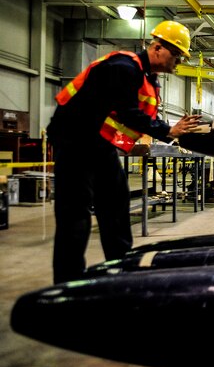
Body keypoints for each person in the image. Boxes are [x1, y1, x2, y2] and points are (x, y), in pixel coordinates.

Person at [46, 20, 201, 284]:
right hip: (74, 140)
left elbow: (125, 115)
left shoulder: (143, 75)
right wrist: (168, 131)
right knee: (75, 213)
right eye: (176, 54)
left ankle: (122, 270)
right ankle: (68, 283)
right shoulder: (123, 67)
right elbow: (129, 113)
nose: (178, 62)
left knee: (115, 204)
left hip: (96, 142)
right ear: (158, 48)